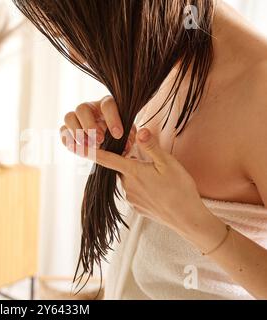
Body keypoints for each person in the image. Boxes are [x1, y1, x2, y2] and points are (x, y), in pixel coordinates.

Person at [14, 0, 267, 299]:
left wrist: (195, 223)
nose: (75, 53)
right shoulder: (165, 61)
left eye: (74, 32)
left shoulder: (259, 92)